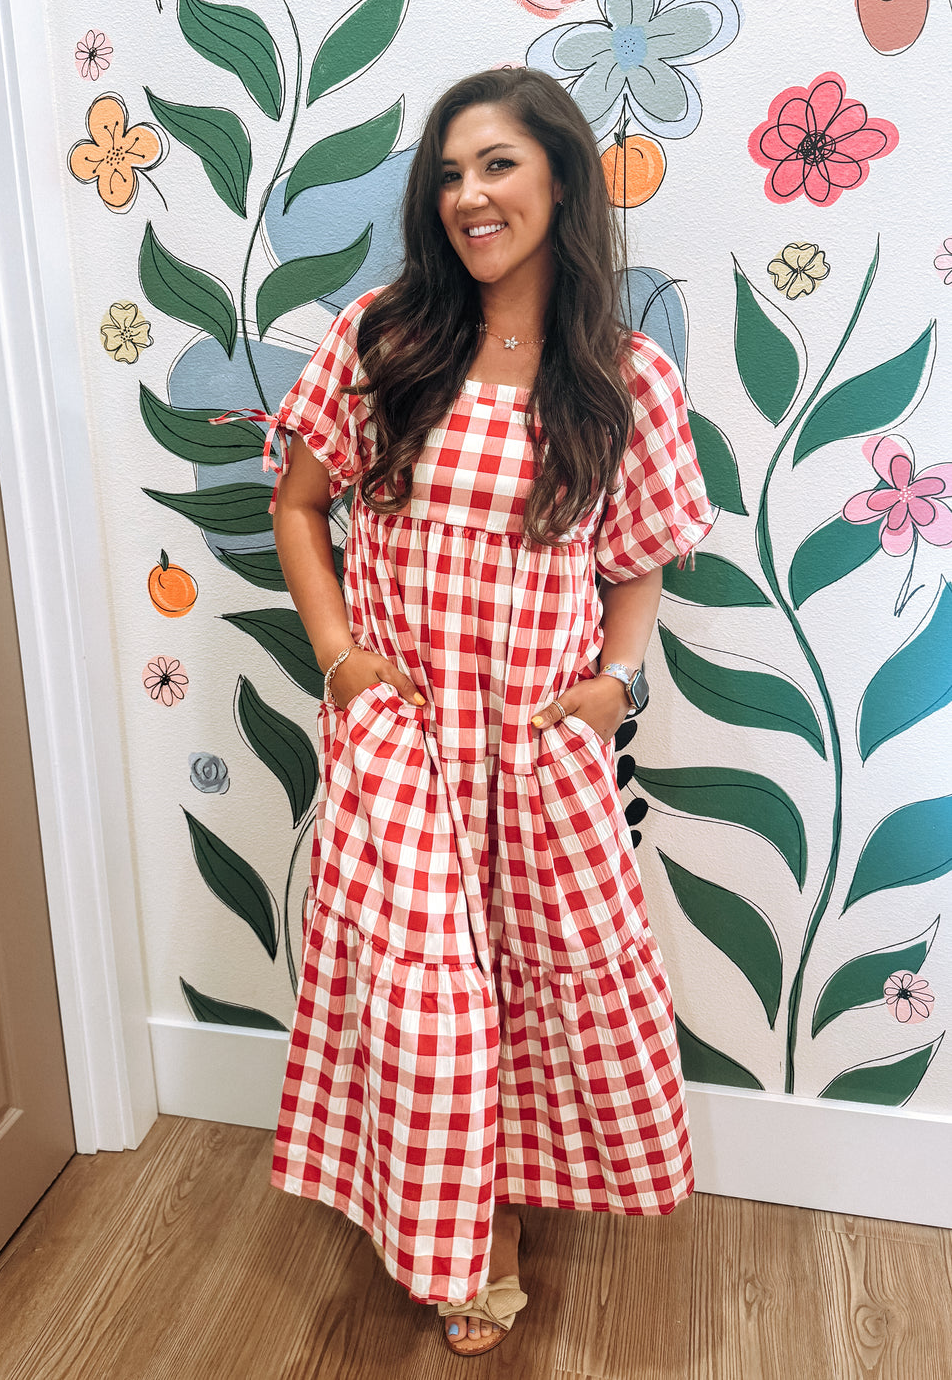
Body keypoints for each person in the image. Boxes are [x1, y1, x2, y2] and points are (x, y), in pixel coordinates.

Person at [265, 66, 713, 1358]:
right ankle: (472, 1238)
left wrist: (614, 686)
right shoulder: (384, 340)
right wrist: (342, 661)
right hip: (406, 735)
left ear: (561, 179)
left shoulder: (623, 378)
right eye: (450, 173)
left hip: (538, 741)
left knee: (529, 982)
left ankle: (498, 1199)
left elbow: (638, 556)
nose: (470, 195)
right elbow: (299, 504)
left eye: (499, 164)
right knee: (434, 1006)